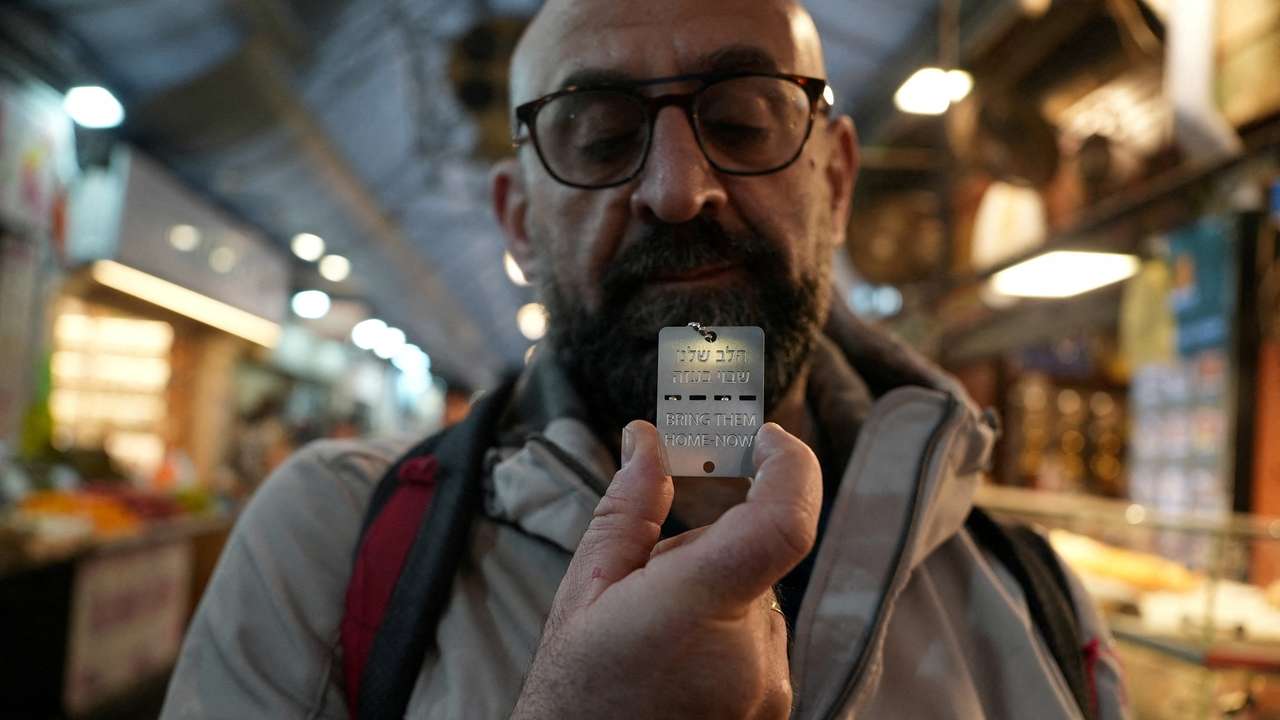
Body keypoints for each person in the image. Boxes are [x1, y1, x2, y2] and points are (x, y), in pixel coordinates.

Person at [160, 1, 1130, 718]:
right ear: (516, 221)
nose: (676, 189)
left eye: (743, 122)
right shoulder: (331, 542)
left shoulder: (1029, 598)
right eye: (599, 137)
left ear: (834, 178)